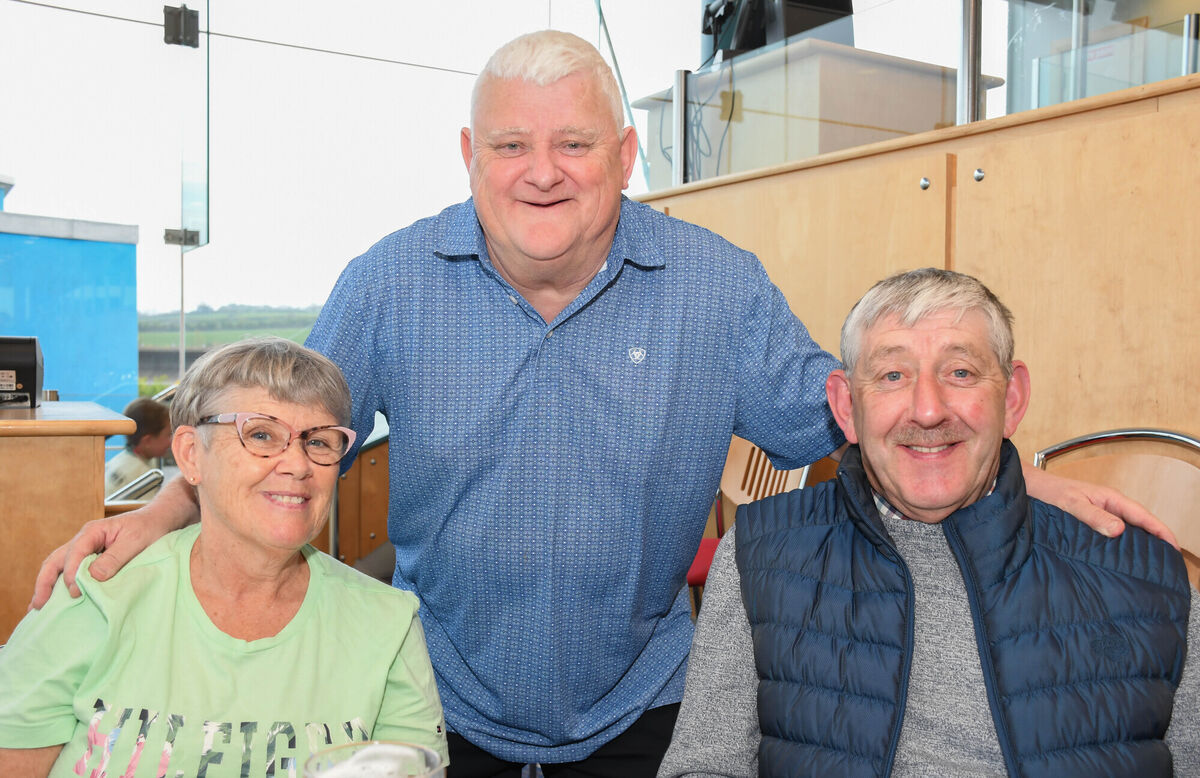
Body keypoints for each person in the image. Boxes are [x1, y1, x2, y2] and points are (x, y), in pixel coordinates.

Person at [33, 31, 1170, 776]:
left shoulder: (717, 285)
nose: (544, 171)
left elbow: (868, 411)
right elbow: (270, 436)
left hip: (646, 709)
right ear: (469, 154)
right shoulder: (388, 279)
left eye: (575, 143)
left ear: (625, 154)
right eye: (515, 145)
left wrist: (1014, 480)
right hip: (437, 699)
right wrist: (154, 514)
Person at [657, 268, 1200, 777]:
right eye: (893, 375)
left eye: (960, 372)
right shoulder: (758, 556)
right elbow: (705, 764)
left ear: (1012, 399)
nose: (928, 410)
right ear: (846, 407)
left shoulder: (1147, 577)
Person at [0, 337, 448, 777]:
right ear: (192, 455)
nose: (298, 464)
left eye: (319, 442)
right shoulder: (94, 595)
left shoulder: (387, 625)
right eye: (260, 434)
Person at [105, 396, 172, 497]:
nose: (171, 442)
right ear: (147, 441)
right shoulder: (145, 478)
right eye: (168, 435)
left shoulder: (118, 460)